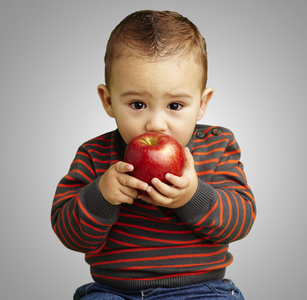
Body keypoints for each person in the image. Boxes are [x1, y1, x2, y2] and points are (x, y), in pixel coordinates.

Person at [51, 10, 256, 300]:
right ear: (108, 101)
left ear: (201, 103)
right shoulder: (94, 155)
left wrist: (192, 196)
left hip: (199, 290)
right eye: (137, 104)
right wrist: (101, 195)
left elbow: (240, 220)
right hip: (113, 292)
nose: (156, 124)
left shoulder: (217, 145)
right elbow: (69, 234)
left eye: (174, 106)